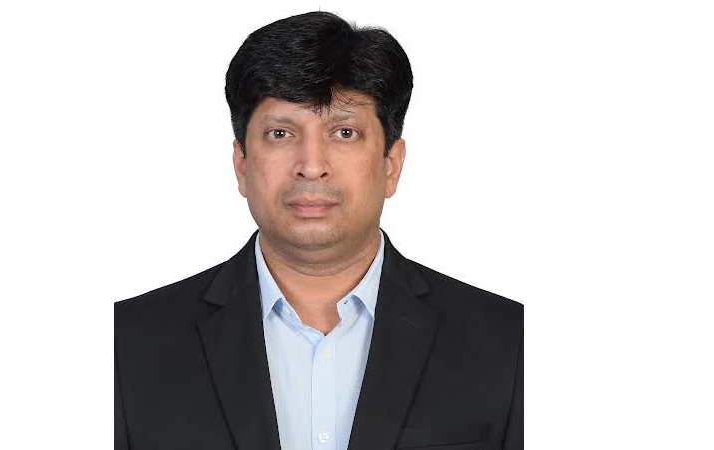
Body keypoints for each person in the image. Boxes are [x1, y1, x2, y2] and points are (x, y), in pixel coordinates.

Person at [115, 11, 523, 450]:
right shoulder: (126, 344)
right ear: (242, 164)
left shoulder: (509, 342)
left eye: (344, 132)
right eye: (280, 133)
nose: (311, 166)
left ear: (391, 165)